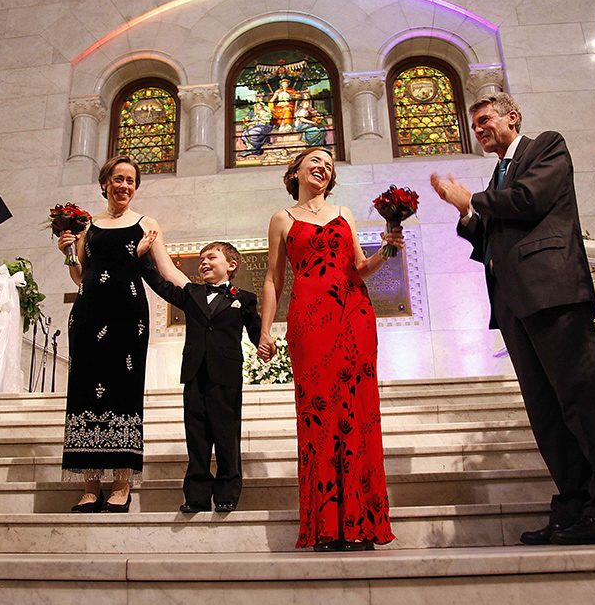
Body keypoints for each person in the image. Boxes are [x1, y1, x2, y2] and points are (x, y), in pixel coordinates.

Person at [431, 92, 595, 545]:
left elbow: (528, 200)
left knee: (587, 401)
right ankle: (575, 506)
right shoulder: (497, 175)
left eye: (485, 120)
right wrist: (465, 211)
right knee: (546, 414)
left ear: (512, 117)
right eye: (476, 125)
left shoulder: (546, 146)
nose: (480, 129)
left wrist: (477, 199)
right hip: (514, 305)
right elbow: (489, 234)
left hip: (554, 293)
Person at [258, 146, 401, 551]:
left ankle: (360, 524)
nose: (322, 167)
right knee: (318, 415)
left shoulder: (344, 214)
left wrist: (387, 249)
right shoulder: (281, 219)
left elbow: (359, 267)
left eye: (329, 165)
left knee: (356, 414)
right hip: (308, 321)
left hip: (353, 314)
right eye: (314, 162)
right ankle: (325, 527)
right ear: (296, 172)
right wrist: (266, 330)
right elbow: (272, 279)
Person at [56, 155, 182, 513]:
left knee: (123, 393)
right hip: (88, 315)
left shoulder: (147, 224)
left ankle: (122, 483)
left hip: (128, 317)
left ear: (136, 187)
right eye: (117, 179)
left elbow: (167, 270)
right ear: (105, 184)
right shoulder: (87, 227)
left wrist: (202, 295)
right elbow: (81, 276)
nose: (123, 185)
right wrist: (67, 251)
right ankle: (90, 485)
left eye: (130, 180)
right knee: (85, 394)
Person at [138, 241, 261, 513]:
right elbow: (160, 284)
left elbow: (255, 329)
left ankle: (227, 493)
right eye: (201, 259)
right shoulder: (191, 293)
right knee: (197, 437)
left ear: (231, 265)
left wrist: (264, 346)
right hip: (194, 374)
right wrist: (143, 256)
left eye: (211, 257)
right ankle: (197, 495)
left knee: (227, 436)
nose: (203, 262)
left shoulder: (245, 297)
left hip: (226, 376)